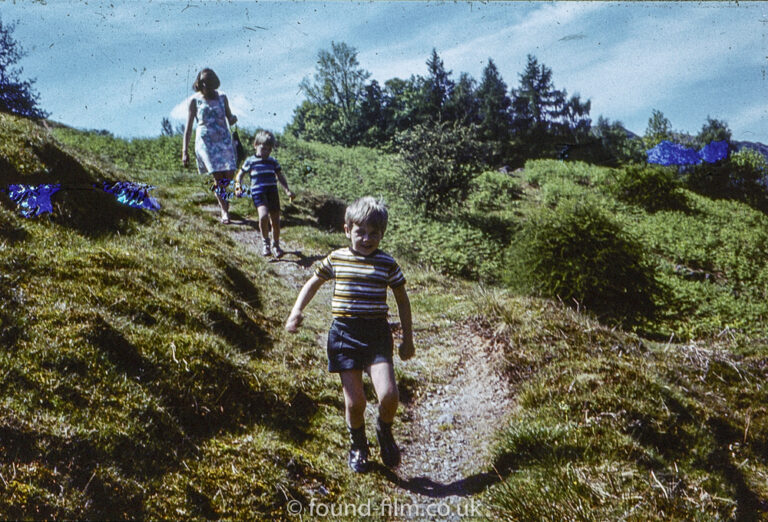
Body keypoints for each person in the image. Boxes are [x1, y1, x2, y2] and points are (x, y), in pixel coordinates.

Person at [285, 197, 415, 472]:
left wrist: (408, 339)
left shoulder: (386, 263)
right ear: (347, 230)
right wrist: (296, 311)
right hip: (344, 335)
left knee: (390, 395)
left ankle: (384, 429)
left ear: (382, 234)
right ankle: (358, 444)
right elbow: (313, 282)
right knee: (355, 402)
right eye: (360, 232)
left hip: (377, 335)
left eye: (374, 233)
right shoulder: (337, 258)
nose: (367, 239)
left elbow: (402, 299)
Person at [182, 68, 238, 224]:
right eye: (202, 81)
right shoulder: (195, 101)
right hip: (206, 142)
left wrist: (233, 119)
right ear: (199, 83)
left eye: (208, 81)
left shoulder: (222, 98)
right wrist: (184, 151)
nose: (205, 84)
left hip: (224, 140)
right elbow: (188, 128)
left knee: (228, 174)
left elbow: (229, 116)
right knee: (217, 175)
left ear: (214, 82)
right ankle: (224, 211)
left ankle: (223, 200)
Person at [234, 130, 295, 257]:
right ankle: (265, 243)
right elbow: (240, 175)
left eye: (269, 149)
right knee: (263, 216)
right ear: (255, 145)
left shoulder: (272, 162)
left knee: (276, 221)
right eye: (263, 148)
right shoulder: (250, 161)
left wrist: (287, 190)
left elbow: (280, 176)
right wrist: (238, 186)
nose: (266, 152)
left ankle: (276, 245)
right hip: (258, 192)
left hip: (272, 192)